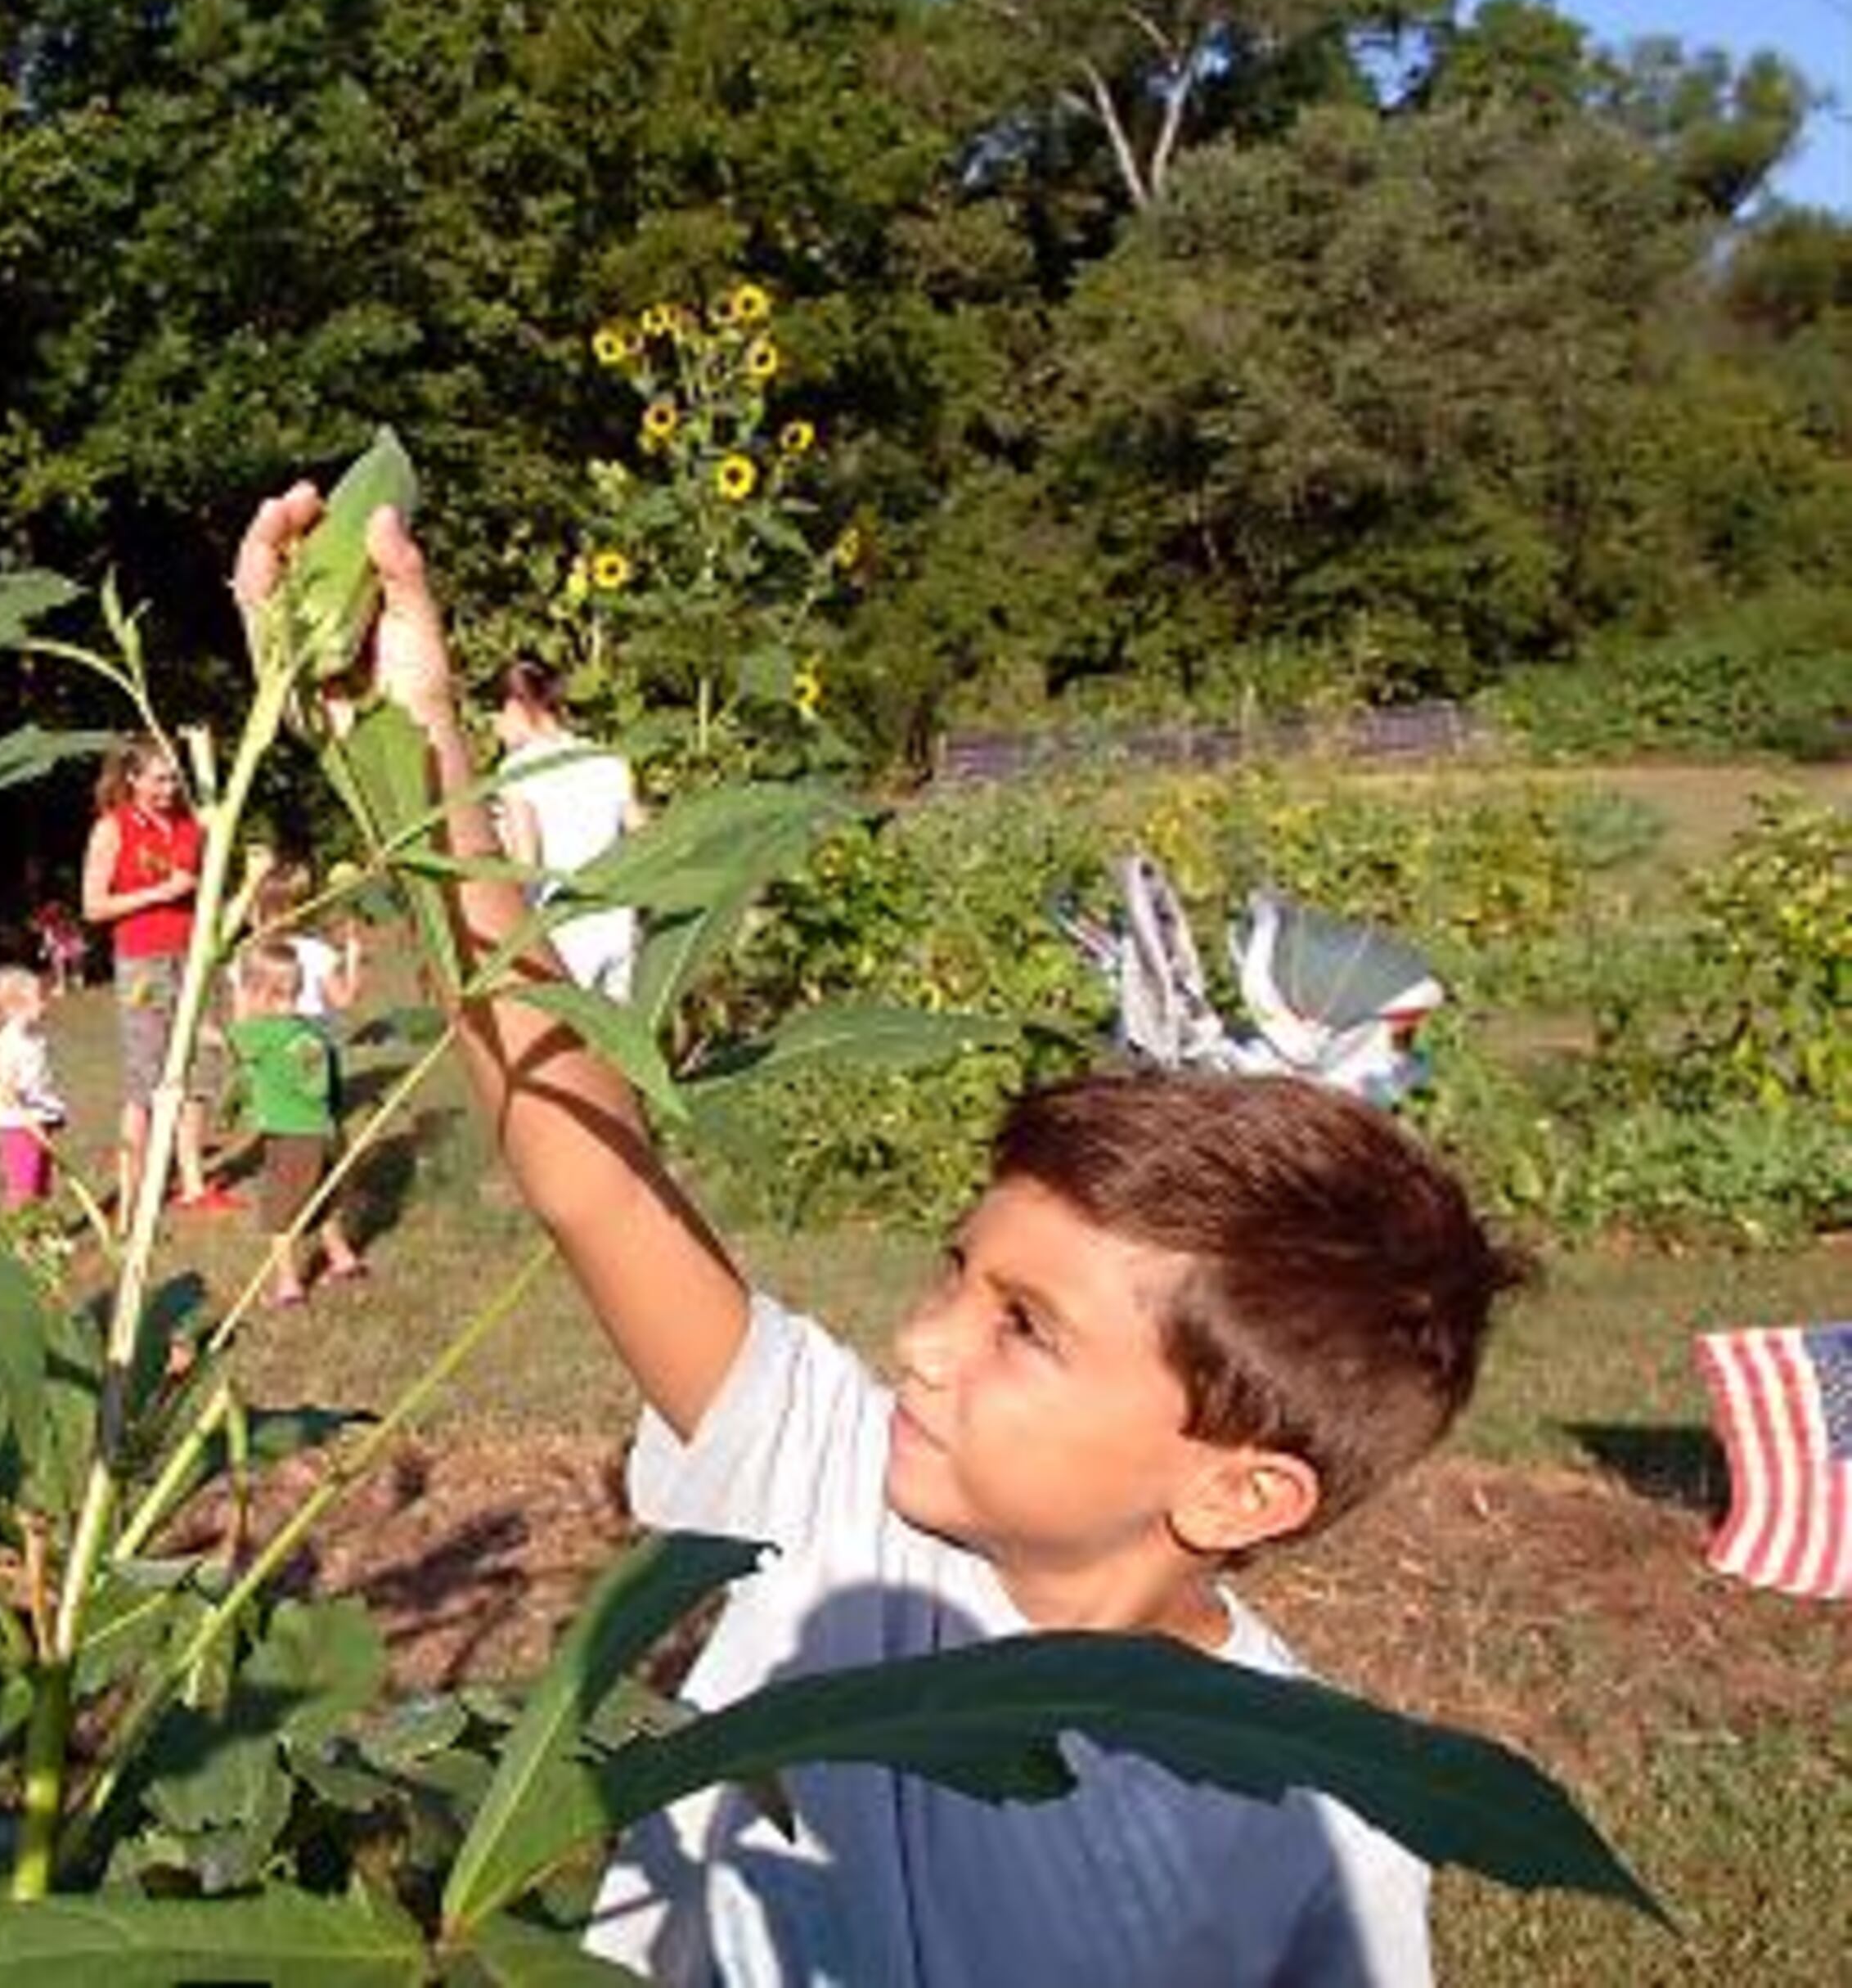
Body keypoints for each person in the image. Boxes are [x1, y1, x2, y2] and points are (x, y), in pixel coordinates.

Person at [228, 483, 1524, 1986]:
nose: (921, 1341)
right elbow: (589, 1178)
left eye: (1024, 1327)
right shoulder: (836, 1484)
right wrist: (406, 749)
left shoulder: (1320, 1825)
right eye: (956, 1275)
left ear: (1243, 1491)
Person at [81, 734, 238, 1217]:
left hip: (195, 956)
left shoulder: (191, 826)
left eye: (175, 778)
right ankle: (133, 1197)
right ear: (132, 778)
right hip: (143, 963)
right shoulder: (113, 828)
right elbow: (94, 907)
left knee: (201, 1068)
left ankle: (192, 1183)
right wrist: (163, 892)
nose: (169, 788)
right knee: (145, 1078)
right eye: (159, 779)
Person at [492, 656, 645, 1005]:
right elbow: (646, 838)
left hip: (562, 932)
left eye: (497, 718)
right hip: (618, 926)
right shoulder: (607, 760)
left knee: (567, 1049)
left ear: (516, 707)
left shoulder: (517, 770)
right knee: (620, 1049)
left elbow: (526, 865)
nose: (498, 731)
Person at [224, 936, 366, 1307]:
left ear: (260, 995)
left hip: (289, 1139)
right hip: (324, 1131)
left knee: (280, 1212)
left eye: (245, 990)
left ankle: (287, 1284)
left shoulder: (261, 1033)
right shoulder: (309, 1031)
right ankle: (342, 1258)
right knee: (321, 1199)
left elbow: (227, 1041)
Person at [0, 963, 68, 1208]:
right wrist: (23, 1107)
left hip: (38, 1120)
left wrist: (48, 1112)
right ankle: (22, 1237)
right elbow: (7, 1089)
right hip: (18, 1125)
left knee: (42, 1182)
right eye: (40, 998)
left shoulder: (32, 1036)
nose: (46, 1003)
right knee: (24, 1185)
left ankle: (42, 1231)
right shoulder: (9, 1043)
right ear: (15, 1006)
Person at [247, 853, 366, 1024]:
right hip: (305, 1034)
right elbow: (343, 1000)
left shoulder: (248, 953)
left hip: (259, 1035)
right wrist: (353, 957)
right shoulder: (315, 953)